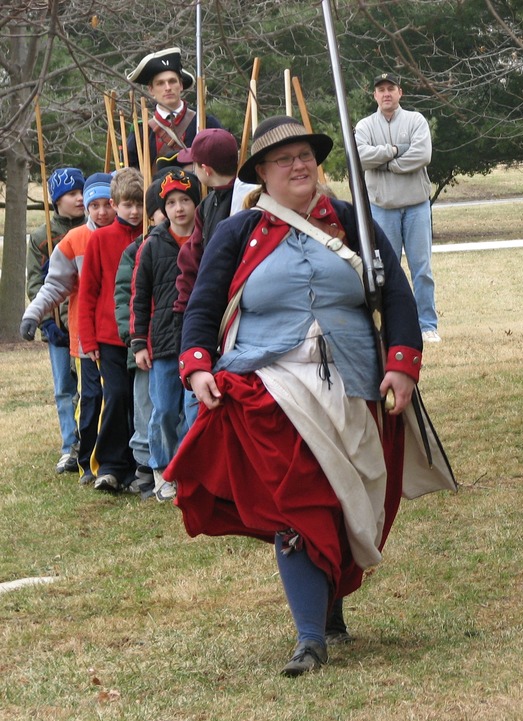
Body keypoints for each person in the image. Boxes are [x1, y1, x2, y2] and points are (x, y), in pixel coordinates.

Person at [165, 116, 426, 676]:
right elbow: (203, 305)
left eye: (305, 155)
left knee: (343, 500)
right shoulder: (237, 232)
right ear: (262, 173)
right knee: (298, 500)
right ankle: (310, 638)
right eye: (284, 160)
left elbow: (397, 295)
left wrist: (403, 364)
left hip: (353, 380)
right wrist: (197, 366)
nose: (299, 165)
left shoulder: (351, 222)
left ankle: (328, 608)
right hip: (271, 385)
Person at [21, 172, 116, 485]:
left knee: (115, 396)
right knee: (79, 393)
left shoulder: (126, 233)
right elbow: (48, 285)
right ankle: (78, 452)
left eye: (108, 203)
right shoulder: (62, 239)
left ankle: (116, 459)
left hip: (117, 334)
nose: (101, 211)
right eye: (93, 204)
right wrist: (41, 318)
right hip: (79, 332)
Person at [131, 168, 201, 501]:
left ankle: (189, 469)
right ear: (163, 208)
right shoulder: (151, 246)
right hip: (160, 343)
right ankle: (162, 468)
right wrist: (138, 342)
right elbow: (139, 296)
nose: (178, 208)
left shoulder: (206, 240)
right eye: (171, 202)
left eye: (185, 200)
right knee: (164, 410)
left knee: (193, 407)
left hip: (196, 339)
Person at [355, 72, 439, 342]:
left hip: (416, 207)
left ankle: (427, 325)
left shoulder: (416, 121)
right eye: (381, 90)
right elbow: (359, 157)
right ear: (375, 95)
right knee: (386, 271)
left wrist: (385, 163)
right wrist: (394, 150)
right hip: (382, 208)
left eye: (391, 88)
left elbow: (422, 155)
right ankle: (390, 326)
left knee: (422, 269)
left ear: (400, 92)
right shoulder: (365, 126)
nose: (386, 94)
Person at [77, 168, 145, 493]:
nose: (134, 211)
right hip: (108, 338)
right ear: (115, 205)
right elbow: (88, 292)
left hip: (142, 336)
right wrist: (88, 339)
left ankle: (137, 465)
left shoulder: (151, 235)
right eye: (127, 205)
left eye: (139, 204)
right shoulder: (100, 239)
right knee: (116, 396)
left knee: (138, 401)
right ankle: (109, 465)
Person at [174, 128, 240, 426]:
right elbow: (193, 261)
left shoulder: (247, 201)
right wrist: (186, 307)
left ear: (205, 169)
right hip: (209, 307)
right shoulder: (206, 206)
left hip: (235, 310)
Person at [26, 167, 87, 473]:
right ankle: (69, 446)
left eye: (82, 192)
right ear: (57, 200)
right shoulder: (41, 237)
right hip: (58, 326)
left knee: (92, 386)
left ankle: (91, 441)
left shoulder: (93, 227)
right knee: (65, 386)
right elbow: (36, 284)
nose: (80, 199)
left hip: (85, 323)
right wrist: (47, 323)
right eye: (72, 194)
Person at [115, 180, 168, 500]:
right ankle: (145, 465)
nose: (171, 213)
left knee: (170, 407)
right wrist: (134, 338)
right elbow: (125, 297)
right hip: (145, 343)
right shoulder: (137, 250)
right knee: (146, 406)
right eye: (164, 207)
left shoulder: (193, 244)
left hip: (175, 342)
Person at [125, 47, 224, 172]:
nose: (167, 88)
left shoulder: (206, 123)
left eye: (172, 81)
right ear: (151, 90)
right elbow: (131, 175)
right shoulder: (141, 131)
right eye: (160, 83)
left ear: (181, 85)